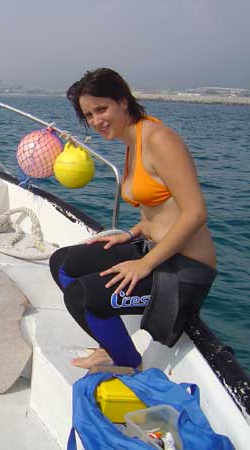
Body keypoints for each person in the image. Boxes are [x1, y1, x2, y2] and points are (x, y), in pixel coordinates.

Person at [49, 68, 217, 370]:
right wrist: (131, 234)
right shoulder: (133, 142)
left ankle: (128, 363)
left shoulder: (159, 139)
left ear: (123, 101)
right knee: (63, 263)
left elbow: (194, 213)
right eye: (88, 115)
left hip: (184, 270)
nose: (96, 120)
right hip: (152, 249)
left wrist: (144, 265)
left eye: (102, 108)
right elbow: (161, 210)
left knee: (82, 295)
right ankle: (110, 343)